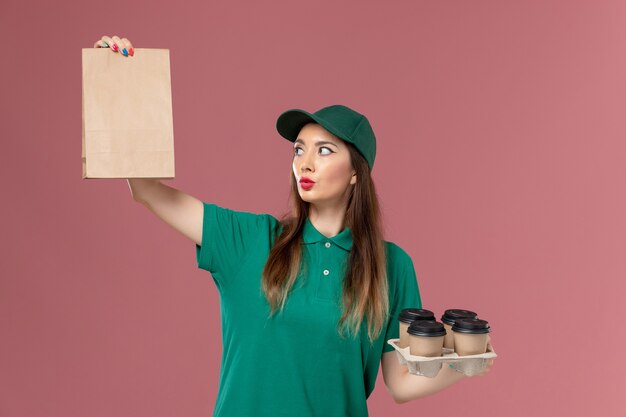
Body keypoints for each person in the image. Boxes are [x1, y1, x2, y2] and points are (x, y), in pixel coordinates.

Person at [93, 35, 494, 417]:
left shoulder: (392, 267)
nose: (305, 162)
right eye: (299, 149)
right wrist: (122, 82)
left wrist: (469, 361)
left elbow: (401, 383)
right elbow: (145, 190)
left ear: (356, 172)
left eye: (324, 151)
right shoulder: (249, 240)